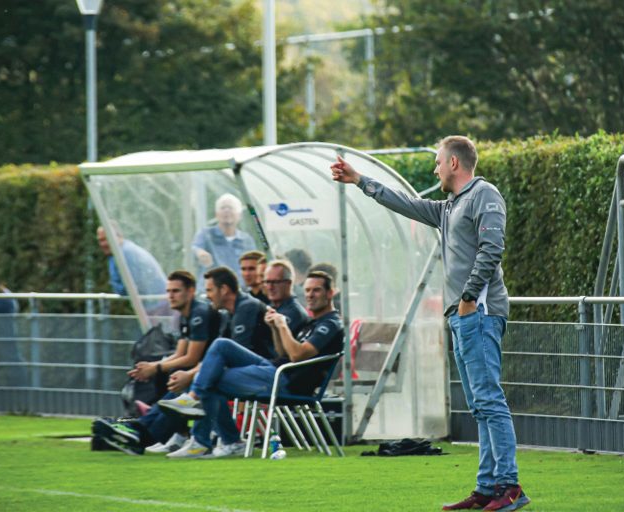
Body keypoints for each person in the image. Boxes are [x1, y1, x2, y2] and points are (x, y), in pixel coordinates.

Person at [331, 136, 529, 512]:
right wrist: (359, 180)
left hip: (479, 313)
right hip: (462, 315)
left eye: (438, 162)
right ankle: (487, 488)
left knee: (489, 400)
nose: (435, 169)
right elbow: (405, 203)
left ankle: (510, 486)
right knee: (479, 405)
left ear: (454, 163)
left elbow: (492, 249)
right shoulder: (449, 206)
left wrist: (468, 297)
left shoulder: (484, 194)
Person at [158, 271, 341, 459]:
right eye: (308, 290)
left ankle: (213, 437)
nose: (310, 295)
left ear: (330, 293)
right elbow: (282, 353)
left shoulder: (331, 324)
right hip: (275, 369)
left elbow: (297, 355)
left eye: (316, 290)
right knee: (221, 346)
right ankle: (206, 423)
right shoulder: (314, 322)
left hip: (287, 381)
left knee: (207, 378)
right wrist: (275, 328)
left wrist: (282, 325)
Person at [94, 270, 217, 455]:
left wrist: (156, 367)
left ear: (191, 291)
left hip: (208, 373)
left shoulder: (200, 312)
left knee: (176, 378)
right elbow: (180, 353)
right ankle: (159, 432)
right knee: (168, 374)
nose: (171, 296)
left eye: (176, 291)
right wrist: (153, 366)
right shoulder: (186, 315)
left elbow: (191, 358)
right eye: (168, 291)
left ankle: (142, 433)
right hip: (200, 371)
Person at [191, 193, 256, 288]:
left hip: (239, 290)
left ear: (239, 215)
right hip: (210, 291)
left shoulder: (246, 240)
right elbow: (194, 249)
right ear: (216, 214)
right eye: (223, 208)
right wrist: (199, 253)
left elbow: (255, 263)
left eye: (230, 208)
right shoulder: (205, 234)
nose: (227, 211)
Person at [96, 224, 166, 299]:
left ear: (118, 237)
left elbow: (133, 287)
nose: (102, 244)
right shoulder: (116, 253)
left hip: (156, 301)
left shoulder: (126, 253)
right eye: (100, 240)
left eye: (105, 239)